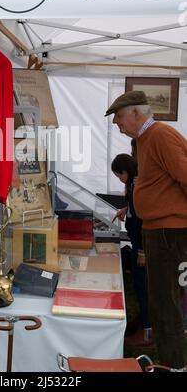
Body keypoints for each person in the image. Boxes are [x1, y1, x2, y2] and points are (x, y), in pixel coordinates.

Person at [105, 90, 187, 370]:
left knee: (167, 303)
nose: (116, 123)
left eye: (118, 117)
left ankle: (175, 365)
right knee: (160, 301)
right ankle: (170, 361)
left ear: (136, 113)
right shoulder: (142, 140)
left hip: (170, 231)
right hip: (158, 229)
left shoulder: (161, 136)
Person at [111, 154, 152, 346]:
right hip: (138, 245)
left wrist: (142, 252)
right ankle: (144, 322)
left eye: (119, 175)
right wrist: (126, 209)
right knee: (139, 287)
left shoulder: (138, 187)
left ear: (126, 171)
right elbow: (136, 211)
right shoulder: (134, 185)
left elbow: (143, 221)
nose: (120, 179)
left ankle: (148, 332)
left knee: (143, 289)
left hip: (142, 247)